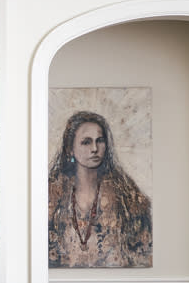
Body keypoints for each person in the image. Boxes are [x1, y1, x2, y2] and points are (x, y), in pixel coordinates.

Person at [47, 109, 151, 268]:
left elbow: (142, 254)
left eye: (100, 140)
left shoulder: (128, 198)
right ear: (70, 149)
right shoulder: (51, 195)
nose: (94, 148)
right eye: (86, 142)